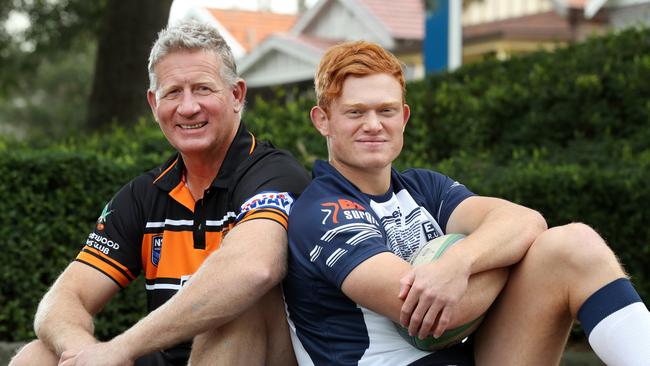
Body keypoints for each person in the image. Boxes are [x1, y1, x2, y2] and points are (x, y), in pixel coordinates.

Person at [283, 40, 650, 365]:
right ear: (322, 121)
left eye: (387, 110)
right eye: (355, 112)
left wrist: (460, 262)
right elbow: (431, 318)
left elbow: (527, 222)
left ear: (404, 117)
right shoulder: (322, 210)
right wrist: (505, 253)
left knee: (574, 243)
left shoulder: (423, 186)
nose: (374, 124)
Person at [10, 20, 310, 366]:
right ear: (154, 104)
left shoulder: (273, 173)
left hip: (252, 352)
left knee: (239, 305)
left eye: (202, 89)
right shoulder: (145, 194)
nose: (187, 107)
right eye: (172, 92)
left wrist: (121, 348)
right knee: (38, 355)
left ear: (237, 95)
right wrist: (81, 352)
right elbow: (62, 299)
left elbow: (255, 269)